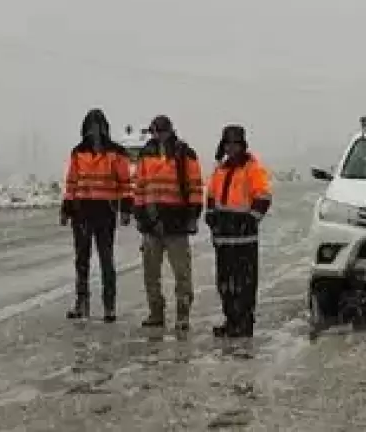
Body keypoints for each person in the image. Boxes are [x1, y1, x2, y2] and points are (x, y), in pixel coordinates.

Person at [60, 108, 132, 323]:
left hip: (105, 212)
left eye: (98, 126)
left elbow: (125, 183)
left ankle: (109, 305)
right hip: (82, 212)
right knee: (81, 260)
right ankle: (82, 303)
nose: (94, 131)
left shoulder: (116, 153)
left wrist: (125, 209)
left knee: (106, 260)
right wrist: (66, 208)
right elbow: (71, 182)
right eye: (91, 127)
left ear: (104, 128)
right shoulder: (78, 152)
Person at [134, 115, 202, 330]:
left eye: (162, 131)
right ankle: (156, 312)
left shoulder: (184, 153)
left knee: (182, 273)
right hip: (151, 223)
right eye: (155, 131)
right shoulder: (145, 154)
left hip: (177, 223)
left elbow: (195, 187)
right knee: (150, 274)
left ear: (170, 130)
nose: (159, 135)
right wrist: (140, 214)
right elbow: (140, 187)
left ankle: (183, 315)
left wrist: (193, 216)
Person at [205, 124, 272, 338]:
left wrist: (251, 221)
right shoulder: (220, 170)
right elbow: (211, 197)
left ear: (242, 145)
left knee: (245, 283)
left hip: (244, 238)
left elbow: (263, 196)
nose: (231, 148)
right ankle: (231, 319)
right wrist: (211, 217)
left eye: (235, 144)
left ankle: (245, 322)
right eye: (228, 144)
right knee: (225, 283)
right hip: (224, 237)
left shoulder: (252, 168)